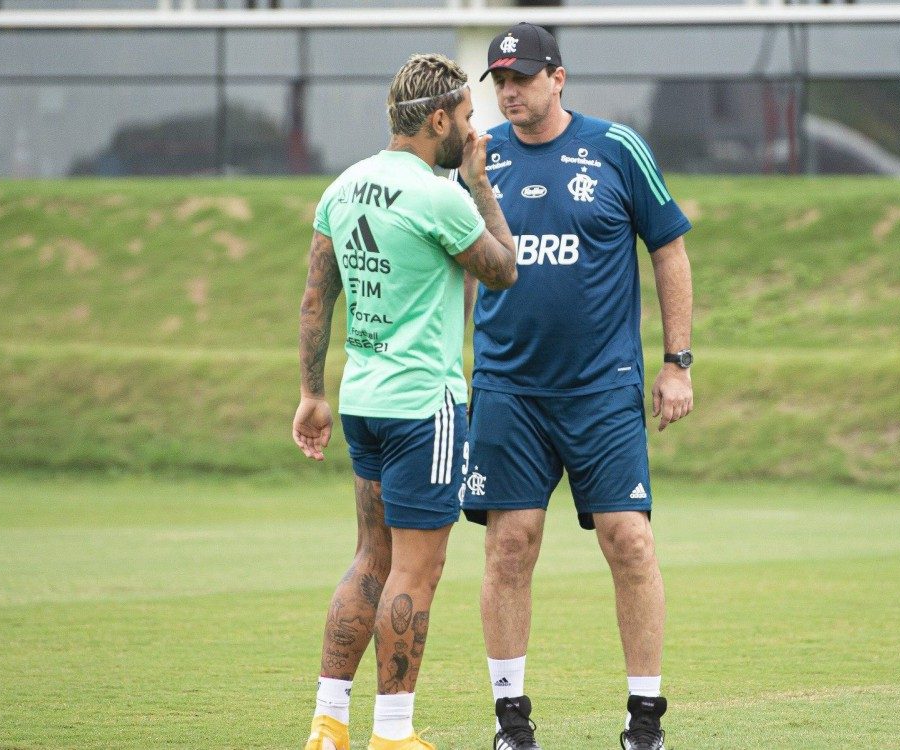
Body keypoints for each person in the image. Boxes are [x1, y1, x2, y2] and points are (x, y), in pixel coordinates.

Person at [460, 23, 694, 750]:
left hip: (602, 390)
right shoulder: (478, 160)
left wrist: (676, 362)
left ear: (558, 78)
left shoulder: (618, 149)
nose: (508, 91)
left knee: (631, 542)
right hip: (508, 388)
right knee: (511, 546)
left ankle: (645, 723)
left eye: (522, 77)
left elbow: (670, 250)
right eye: (499, 80)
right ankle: (511, 723)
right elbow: (451, 263)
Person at [293, 53, 516, 750]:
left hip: (362, 400)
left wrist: (310, 394)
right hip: (425, 406)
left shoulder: (345, 186)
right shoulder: (439, 193)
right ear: (439, 118)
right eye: (470, 119)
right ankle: (393, 734)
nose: (475, 132)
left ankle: (329, 723)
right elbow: (504, 268)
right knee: (419, 568)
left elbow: (314, 298)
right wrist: (480, 189)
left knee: (370, 558)